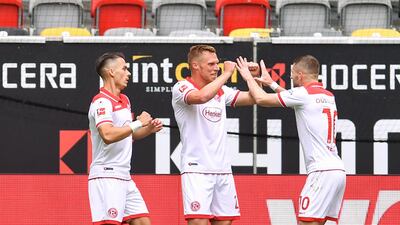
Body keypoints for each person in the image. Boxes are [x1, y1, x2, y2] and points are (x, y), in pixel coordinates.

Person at [236, 55, 346, 225]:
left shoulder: (303, 94)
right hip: (337, 171)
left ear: (300, 75)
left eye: (293, 74)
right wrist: (271, 84)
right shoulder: (327, 95)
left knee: (306, 222)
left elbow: (261, 99)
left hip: (321, 172)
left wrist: (248, 77)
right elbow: (294, 98)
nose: (292, 77)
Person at [171, 45, 258, 225]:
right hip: (197, 169)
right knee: (198, 222)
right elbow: (201, 97)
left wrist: (253, 78)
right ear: (195, 65)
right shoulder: (182, 87)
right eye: (211, 64)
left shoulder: (221, 91)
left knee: (225, 222)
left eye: (217, 64)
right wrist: (227, 74)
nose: (216, 67)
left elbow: (253, 98)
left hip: (223, 169)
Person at [88, 52, 163, 225]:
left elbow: (129, 134)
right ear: (111, 72)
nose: (128, 73)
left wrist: (148, 129)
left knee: (143, 222)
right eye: (124, 68)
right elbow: (107, 134)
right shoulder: (101, 102)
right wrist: (138, 123)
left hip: (124, 176)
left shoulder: (125, 100)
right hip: (107, 175)